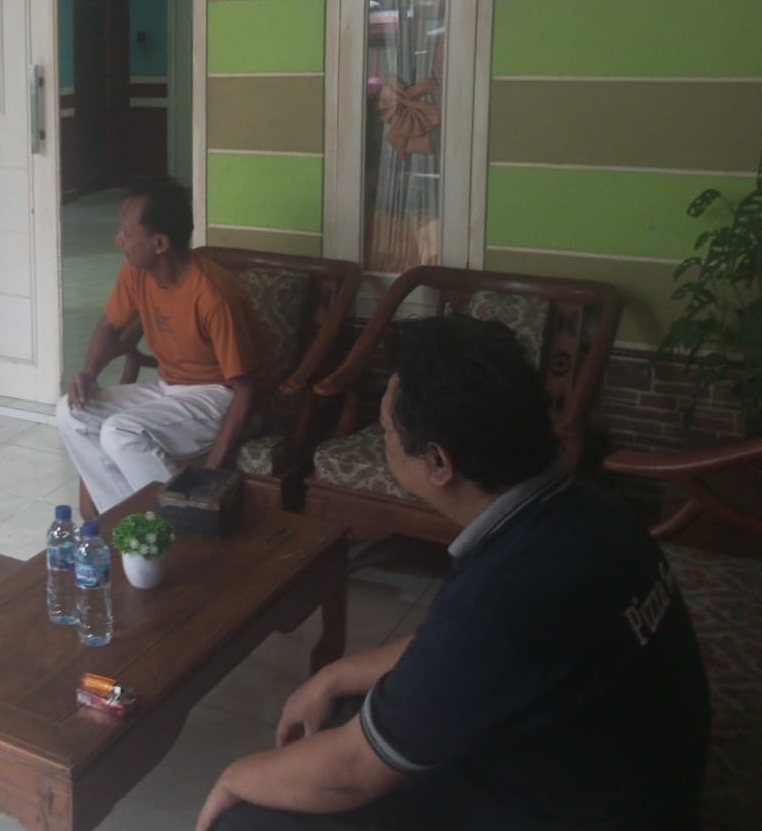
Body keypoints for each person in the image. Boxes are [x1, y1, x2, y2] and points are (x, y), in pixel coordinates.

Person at [196, 315, 710, 831]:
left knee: (250, 820)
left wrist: (233, 779)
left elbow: (351, 772)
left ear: (438, 462)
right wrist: (335, 674)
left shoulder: (507, 593)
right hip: (606, 766)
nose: (382, 439)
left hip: (575, 810)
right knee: (351, 704)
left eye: (387, 429)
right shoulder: (590, 512)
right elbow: (456, 648)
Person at [57, 176, 265, 513]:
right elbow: (109, 327)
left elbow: (245, 388)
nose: (118, 240)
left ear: (159, 244)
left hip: (217, 395)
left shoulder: (213, 296)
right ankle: (123, 522)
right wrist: (88, 373)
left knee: (119, 432)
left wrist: (212, 468)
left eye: (126, 234)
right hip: (169, 388)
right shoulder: (136, 271)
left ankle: (178, 522)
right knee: (70, 411)